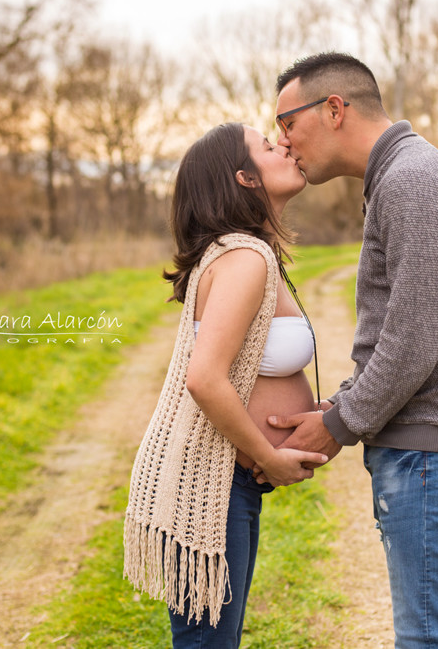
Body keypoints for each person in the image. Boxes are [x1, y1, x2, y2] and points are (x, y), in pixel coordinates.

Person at [268, 52, 438, 648]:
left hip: (432, 451)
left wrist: (339, 424)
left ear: (334, 109)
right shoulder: (399, 178)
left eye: (287, 123)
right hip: (426, 450)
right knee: (435, 636)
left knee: (429, 640)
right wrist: (342, 401)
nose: (283, 141)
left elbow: (414, 342)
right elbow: (400, 328)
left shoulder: (413, 181)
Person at [123, 122, 329, 649]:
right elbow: (205, 379)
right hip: (208, 486)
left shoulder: (248, 253)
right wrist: (270, 456)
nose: (284, 146)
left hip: (224, 485)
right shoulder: (243, 258)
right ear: (245, 178)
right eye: (268, 146)